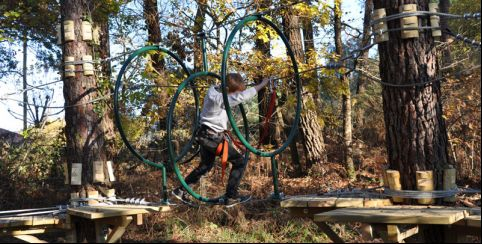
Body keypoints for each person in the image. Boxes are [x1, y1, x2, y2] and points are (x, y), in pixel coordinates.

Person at [172, 73, 270, 205]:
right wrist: (262, 84)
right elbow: (242, 96)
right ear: (228, 90)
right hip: (211, 137)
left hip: (206, 134)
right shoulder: (220, 98)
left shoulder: (214, 90)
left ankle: (181, 190)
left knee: (206, 165)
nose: (234, 97)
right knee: (239, 162)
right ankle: (231, 196)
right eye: (233, 93)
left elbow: (236, 93)